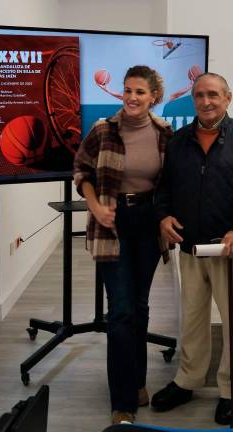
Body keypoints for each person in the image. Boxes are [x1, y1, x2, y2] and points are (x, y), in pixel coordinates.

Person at [151, 72, 233, 425]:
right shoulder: (178, 141)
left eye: (213, 95)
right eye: (199, 95)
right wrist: (163, 217)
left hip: (229, 251)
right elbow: (163, 191)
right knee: (191, 320)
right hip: (189, 250)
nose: (206, 102)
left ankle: (232, 391)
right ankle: (188, 380)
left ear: (228, 97)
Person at [73, 65, 174, 426]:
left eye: (140, 92)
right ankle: (123, 402)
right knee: (120, 310)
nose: (132, 97)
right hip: (110, 223)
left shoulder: (165, 133)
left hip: (148, 224)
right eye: (128, 90)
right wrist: (96, 206)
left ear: (154, 98)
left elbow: (170, 182)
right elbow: (81, 171)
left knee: (141, 307)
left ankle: (138, 381)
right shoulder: (103, 130)